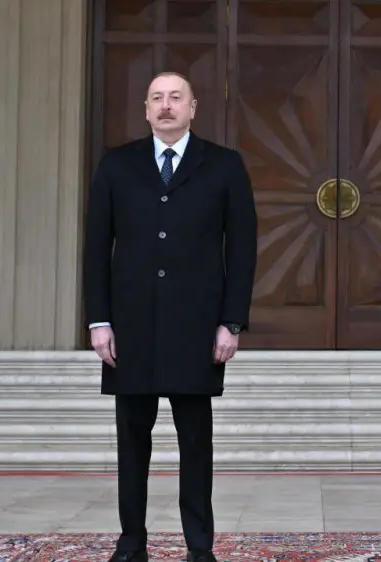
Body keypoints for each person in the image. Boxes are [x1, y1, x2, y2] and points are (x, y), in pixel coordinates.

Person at [82, 71, 257, 562]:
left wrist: (232, 322)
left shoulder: (223, 165)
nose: (166, 105)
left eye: (176, 97)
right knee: (131, 441)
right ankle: (131, 542)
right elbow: (96, 247)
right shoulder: (117, 165)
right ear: (145, 109)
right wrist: (99, 320)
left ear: (193, 107)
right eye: (157, 98)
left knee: (195, 443)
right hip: (130, 327)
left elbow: (242, 250)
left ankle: (199, 547)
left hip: (196, 328)